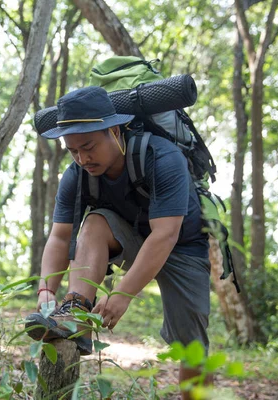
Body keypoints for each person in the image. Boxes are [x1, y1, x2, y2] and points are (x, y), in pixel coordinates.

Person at [25, 86, 212, 398]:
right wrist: (46, 287)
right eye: (73, 151)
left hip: (182, 246)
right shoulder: (77, 174)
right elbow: (59, 236)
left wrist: (123, 293)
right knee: (95, 222)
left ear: (113, 130)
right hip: (129, 236)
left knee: (191, 346)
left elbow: (165, 234)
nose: (82, 158)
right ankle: (76, 314)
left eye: (88, 147)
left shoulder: (163, 158)